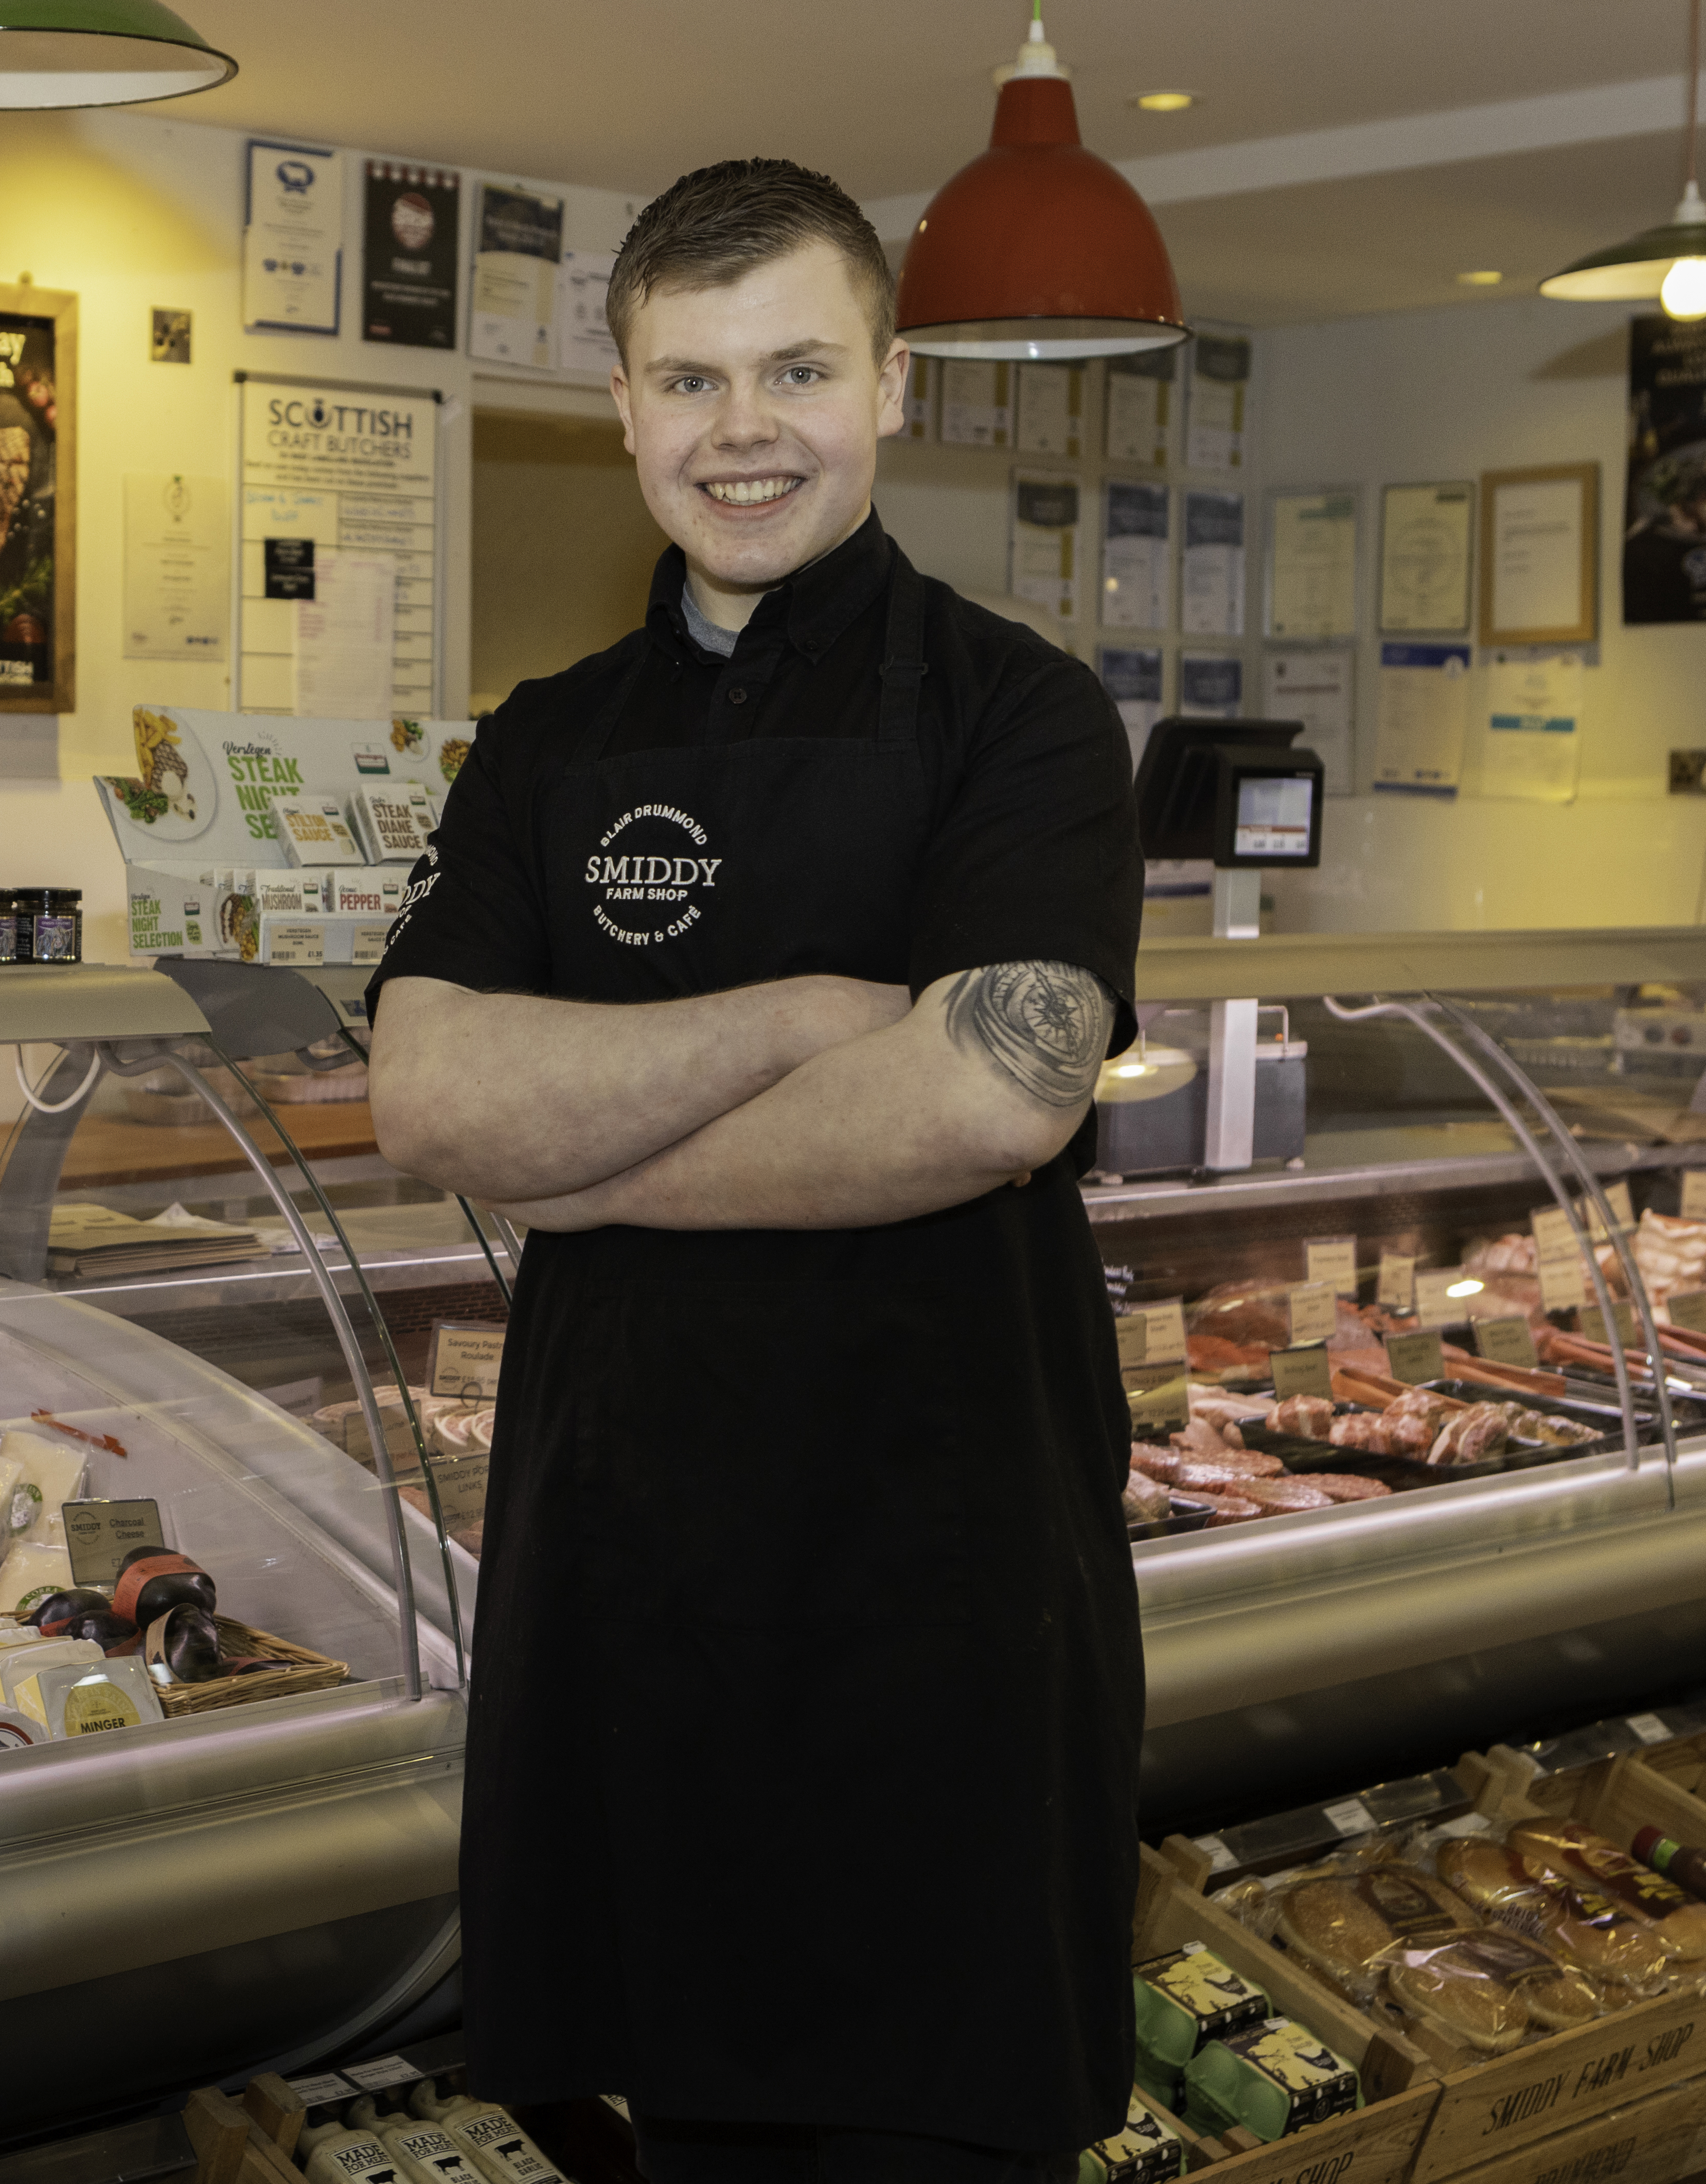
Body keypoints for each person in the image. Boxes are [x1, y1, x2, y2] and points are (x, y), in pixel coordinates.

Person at [365, 158, 1145, 2182]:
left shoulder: (1020, 718)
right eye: (687, 379)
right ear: (621, 408)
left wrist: (594, 1165)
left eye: (791, 369)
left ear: (887, 384)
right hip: (621, 1594)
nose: (739, 431)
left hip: (937, 1597)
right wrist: (806, 1018)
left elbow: (984, 1103)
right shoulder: (542, 742)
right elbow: (433, 1099)